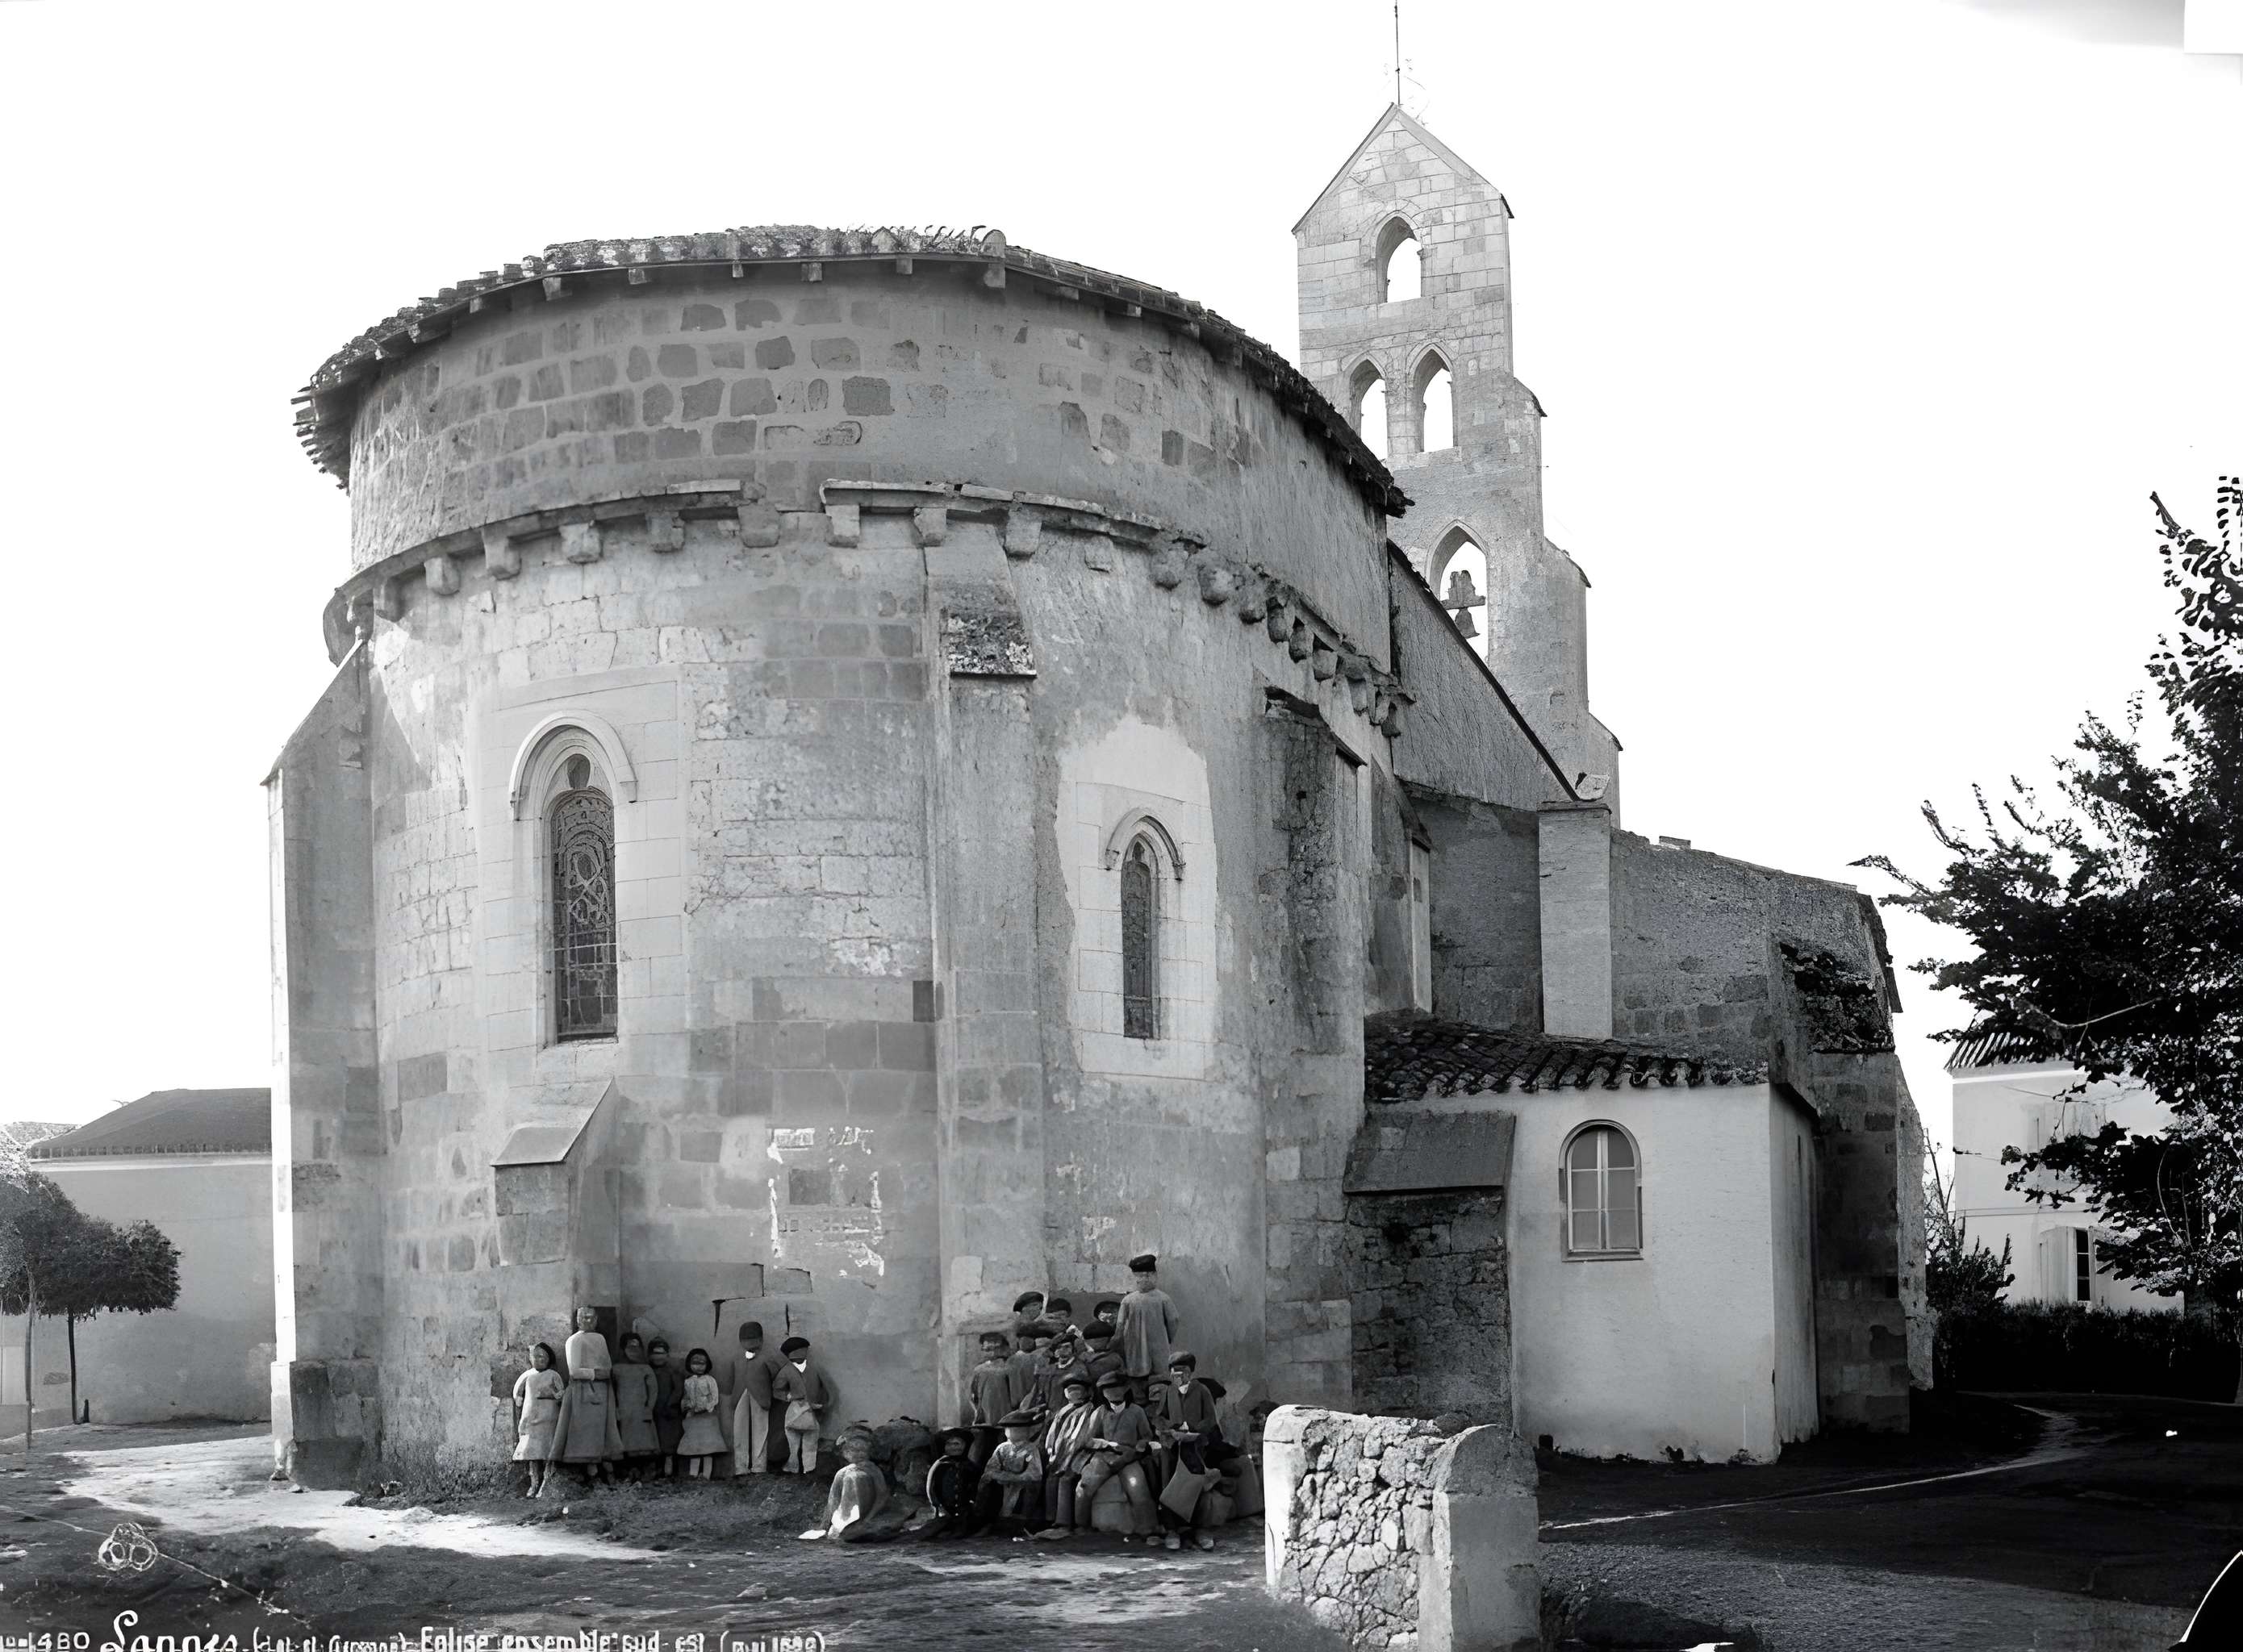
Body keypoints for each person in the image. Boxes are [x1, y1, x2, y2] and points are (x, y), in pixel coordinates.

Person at [1152, 1350, 1234, 1550]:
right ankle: (1172, 1530)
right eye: (1175, 1371)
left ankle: (1201, 1530)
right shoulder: (1168, 1391)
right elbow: (1159, 1416)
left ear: (1190, 1372)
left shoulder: (1202, 1390)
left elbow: (1210, 1419)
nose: (1179, 1375)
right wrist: (1170, 1428)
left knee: (1198, 1485)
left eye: (1183, 1371)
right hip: (1172, 1446)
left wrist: (1193, 1430)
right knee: (1169, 1487)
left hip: (1196, 1446)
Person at [1073, 1370, 1158, 1541]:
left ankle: (1147, 1529)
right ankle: (1082, 1526)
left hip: (1129, 1458)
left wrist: (1139, 1446)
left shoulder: (1136, 1411)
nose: (1112, 1392)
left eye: (1116, 1387)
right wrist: (1106, 1444)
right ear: (1103, 1393)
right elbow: (1088, 1439)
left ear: (1126, 1389)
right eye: (1107, 1389)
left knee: (1137, 1487)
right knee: (1084, 1486)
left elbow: (1147, 1436)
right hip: (1103, 1457)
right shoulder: (1099, 1412)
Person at [546, 1306, 624, 1489]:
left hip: (603, 1390)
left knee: (603, 1429)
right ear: (577, 1320)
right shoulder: (574, 1340)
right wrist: (596, 1374)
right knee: (586, 1431)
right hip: (583, 1391)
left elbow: (607, 1366)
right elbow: (574, 1371)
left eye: (590, 1317)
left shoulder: (600, 1339)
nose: (586, 1320)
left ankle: (607, 1471)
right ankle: (591, 1472)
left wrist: (605, 1374)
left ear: (596, 1320)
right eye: (582, 1317)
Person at [1034, 1372, 1101, 1539]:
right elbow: (1052, 1433)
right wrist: (1051, 1449)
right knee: (1051, 1478)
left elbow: (1082, 1436)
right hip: (1060, 1454)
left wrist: (1071, 1454)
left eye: (1078, 1389)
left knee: (1067, 1478)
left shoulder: (1089, 1410)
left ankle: (1065, 1522)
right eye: (1070, 1390)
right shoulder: (1062, 1411)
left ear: (1087, 1392)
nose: (1074, 1393)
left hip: (1081, 1453)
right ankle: (1050, 1519)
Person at [800, 1425, 890, 1541]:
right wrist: (825, 1525)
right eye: (854, 1450)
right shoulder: (842, 1473)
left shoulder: (872, 1470)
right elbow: (833, 1499)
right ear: (846, 1453)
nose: (859, 1454)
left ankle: (852, 1525)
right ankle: (842, 1525)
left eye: (863, 1450)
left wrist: (869, 1518)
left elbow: (882, 1494)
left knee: (855, 1477)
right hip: (844, 1516)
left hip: (864, 1515)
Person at [1115, 1254, 1180, 1404]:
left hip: (1135, 1357)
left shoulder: (1128, 1301)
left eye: (1146, 1276)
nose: (1143, 1279)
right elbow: (1174, 1321)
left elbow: (1119, 1329)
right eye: (1141, 1276)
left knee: (1140, 1395)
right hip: (1158, 1355)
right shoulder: (1163, 1298)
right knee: (1159, 1394)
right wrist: (1166, 1339)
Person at [974, 1408, 1047, 1539]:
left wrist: (1016, 1478)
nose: (1014, 1432)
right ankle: (987, 1522)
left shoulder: (1030, 1450)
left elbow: (1035, 1474)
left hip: (1022, 1485)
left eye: (1019, 1429)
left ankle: (1019, 1525)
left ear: (1028, 1431)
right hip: (1003, 1485)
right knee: (987, 1483)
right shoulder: (1002, 1448)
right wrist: (1001, 1477)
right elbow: (991, 1469)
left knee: (1028, 1491)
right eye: (1010, 1429)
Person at [731, 1320, 786, 1478]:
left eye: (754, 1339)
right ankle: (740, 1467)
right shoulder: (737, 1359)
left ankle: (759, 1466)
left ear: (761, 1340)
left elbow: (781, 1373)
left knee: (761, 1429)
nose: (750, 1343)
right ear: (740, 1341)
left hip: (761, 1396)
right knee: (739, 1429)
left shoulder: (769, 1356)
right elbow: (733, 1376)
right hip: (740, 1394)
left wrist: (776, 1390)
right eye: (745, 1340)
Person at [774, 1335, 833, 1474]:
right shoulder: (786, 1371)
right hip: (795, 1411)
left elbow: (829, 1388)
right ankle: (793, 1466)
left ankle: (809, 1469)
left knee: (810, 1442)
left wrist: (826, 1405)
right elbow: (777, 1390)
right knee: (792, 1443)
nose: (801, 1354)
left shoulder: (815, 1369)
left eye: (803, 1350)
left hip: (813, 1411)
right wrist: (789, 1396)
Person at [511, 1341, 563, 1498]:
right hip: (531, 1419)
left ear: (549, 1359)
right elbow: (517, 1391)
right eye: (536, 1356)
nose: (539, 1359)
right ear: (530, 1358)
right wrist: (518, 1397)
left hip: (549, 1419)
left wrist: (553, 1394)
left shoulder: (553, 1375)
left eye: (543, 1356)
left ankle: (546, 1483)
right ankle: (534, 1484)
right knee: (531, 1452)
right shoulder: (528, 1375)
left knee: (548, 1450)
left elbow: (562, 1393)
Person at [611, 1333, 660, 1481]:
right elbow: (612, 1390)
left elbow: (653, 1390)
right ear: (623, 1348)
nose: (634, 1350)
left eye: (637, 1346)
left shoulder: (645, 1369)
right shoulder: (616, 1369)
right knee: (626, 1444)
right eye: (630, 1347)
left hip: (641, 1412)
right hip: (625, 1412)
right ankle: (629, 1473)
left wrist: (649, 1408)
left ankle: (645, 1472)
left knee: (644, 1444)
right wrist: (615, 1409)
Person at [966, 1330, 1016, 1466]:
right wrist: (978, 1412)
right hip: (984, 1420)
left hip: (1005, 1418)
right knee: (980, 1453)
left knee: (1004, 1451)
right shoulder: (979, 1370)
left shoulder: (1008, 1368)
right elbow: (973, 1395)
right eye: (987, 1349)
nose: (992, 1352)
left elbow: (1015, 1393)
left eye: (995, 1348)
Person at [921, 1428, 981, 1540]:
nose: (954, 1447)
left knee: (966, 1526)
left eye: (957, 1444)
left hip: (964, 1508)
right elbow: (931, 1486)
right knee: (939, 1528)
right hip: (945, 1507)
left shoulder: (970, 1466)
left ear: (965, 1445)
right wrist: (936, 1504)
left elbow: (976, 1485)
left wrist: (973, 1501)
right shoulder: (940, 1464)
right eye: (949, 1444)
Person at [678, 1348, 727, 1479]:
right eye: (695, 1363)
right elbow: (686, 1397)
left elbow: (715, 1398)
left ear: (707, 1365)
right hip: (693, 1418)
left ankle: (706, 1475)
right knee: (695, 1447)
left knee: (707, 1447)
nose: (699, 1367)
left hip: (707, 1418)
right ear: (689, 1364)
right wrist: (686, 1406)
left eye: (702, 1364)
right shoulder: (688, 1381)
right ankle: (693, 1474)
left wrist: (706, 1407)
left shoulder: (710, 1380)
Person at [648, 1337, 685, 1478]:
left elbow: (678, 1390)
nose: (658, 1357)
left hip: (669, 1413)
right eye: (655, 1353)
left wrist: (670, 1404)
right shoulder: (648, 1371)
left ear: (667, 1355)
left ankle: (669, 1472)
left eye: (661, 1353)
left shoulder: (672, 1371)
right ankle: (656, 1470)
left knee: (669, 1442)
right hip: (653, 1412)